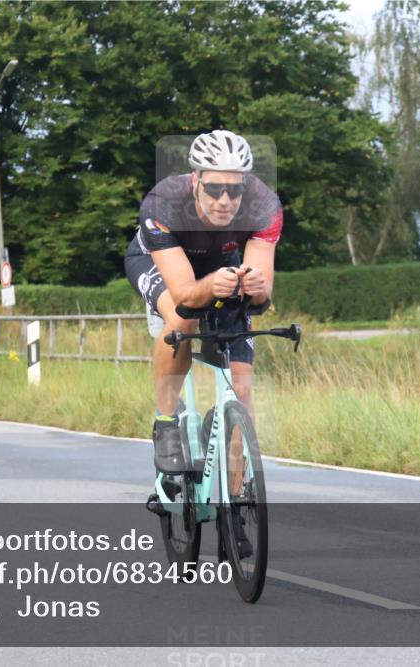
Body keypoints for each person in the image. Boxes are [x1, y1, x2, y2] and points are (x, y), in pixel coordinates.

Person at [124, 130, 283, 475]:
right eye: (213, 188)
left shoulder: (264, 205)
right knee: (183, 319)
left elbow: (261, 296)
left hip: (220, 264)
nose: (224, 200)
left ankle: (238, 497)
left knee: (242, 387)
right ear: (195, 180)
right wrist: (211, 286)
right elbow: (184, 294)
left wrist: (256, 288)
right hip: (158, 261)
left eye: (235, 190)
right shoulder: (163, 202)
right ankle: (166, 421)